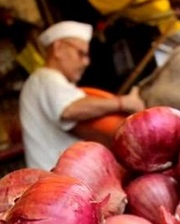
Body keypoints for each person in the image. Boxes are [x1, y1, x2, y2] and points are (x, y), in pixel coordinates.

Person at [19, 20, 145, 170]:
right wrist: (124, 103)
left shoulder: (46, 82)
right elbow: (70, 110)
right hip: (55, 178)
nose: (86, 62)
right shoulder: (47, 78)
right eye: (81, 54)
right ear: (58, 48)